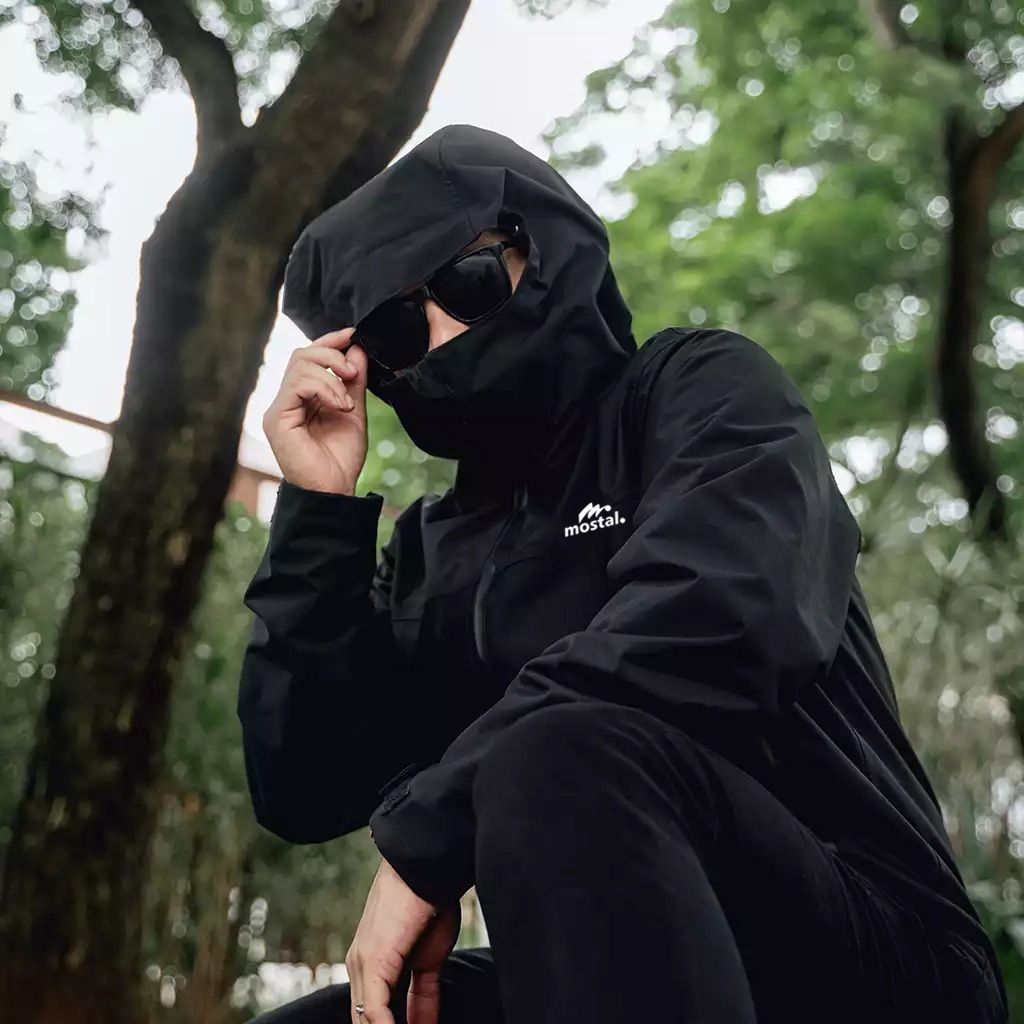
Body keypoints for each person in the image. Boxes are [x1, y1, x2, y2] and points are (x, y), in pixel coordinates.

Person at [237, 124, 1008, 1024]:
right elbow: (305, 782)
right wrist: (319, 511)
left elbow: (725, 619)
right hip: (605, 963)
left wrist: (428, 838)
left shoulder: (698, 389)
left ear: (542, 246)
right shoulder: (434, 549)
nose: (441, 337)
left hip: (869, 950)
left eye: (468, 283)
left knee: (555, 749)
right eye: (401, 330)